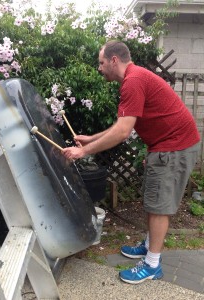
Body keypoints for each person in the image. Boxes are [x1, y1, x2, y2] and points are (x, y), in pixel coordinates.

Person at [62, 40, 200, 284]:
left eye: (101, 63)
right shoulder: (134, 78)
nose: (99, 68)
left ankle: (152, 265)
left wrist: (84, 152)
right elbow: (121, 125)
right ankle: (149, 246)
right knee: (153, 199)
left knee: (159, 206)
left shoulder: (133, 81)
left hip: (175, 147)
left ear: (114, 60)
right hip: (165, 146)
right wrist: (91, 139)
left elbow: (122, 132)